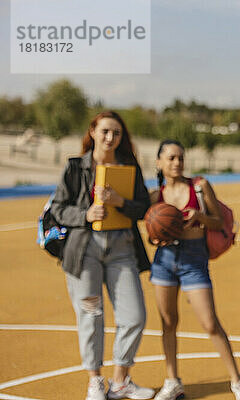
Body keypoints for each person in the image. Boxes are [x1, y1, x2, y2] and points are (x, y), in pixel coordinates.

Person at [51, 111, 154, 400]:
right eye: (105, 131)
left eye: (116, 133)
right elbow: (57, 208)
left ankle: (120, 381)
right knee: (91, 315)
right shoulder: (75, 167)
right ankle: (95, 380)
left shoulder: (129, 166)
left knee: (135, 316)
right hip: (85, 252)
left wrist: (120, 202)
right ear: (93, 131)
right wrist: (85, 214)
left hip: (122, 250)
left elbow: (144, 207)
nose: (111, 138)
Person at [150, 139, 240, 400]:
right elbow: (151, 230)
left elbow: (218, 220)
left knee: (210, 323)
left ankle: (238, 382)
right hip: (165, 259)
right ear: (159, 162)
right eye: (171, 158)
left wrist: (199, 217)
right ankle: (172, 380)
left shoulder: (199, 186)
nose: (177, 162)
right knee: (168, 322)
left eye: (180, 157)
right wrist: (155, 236)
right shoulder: (155, 196)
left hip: (194, 260)